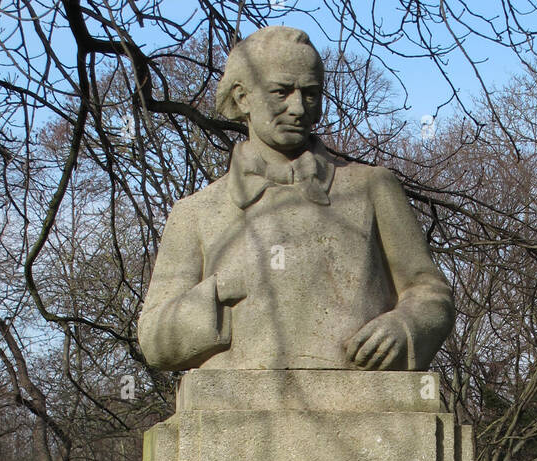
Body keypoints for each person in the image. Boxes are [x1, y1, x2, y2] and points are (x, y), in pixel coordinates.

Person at [138, 25, 454, 375]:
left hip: (366, 403)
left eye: (310, 94)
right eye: (281, 92)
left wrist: (405, 327)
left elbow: (429, 293)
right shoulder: (196, 213)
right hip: (235, 409)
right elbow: (155, 339)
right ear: (243, 98)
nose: (298, 108)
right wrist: (222, 288)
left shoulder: (372, 188)